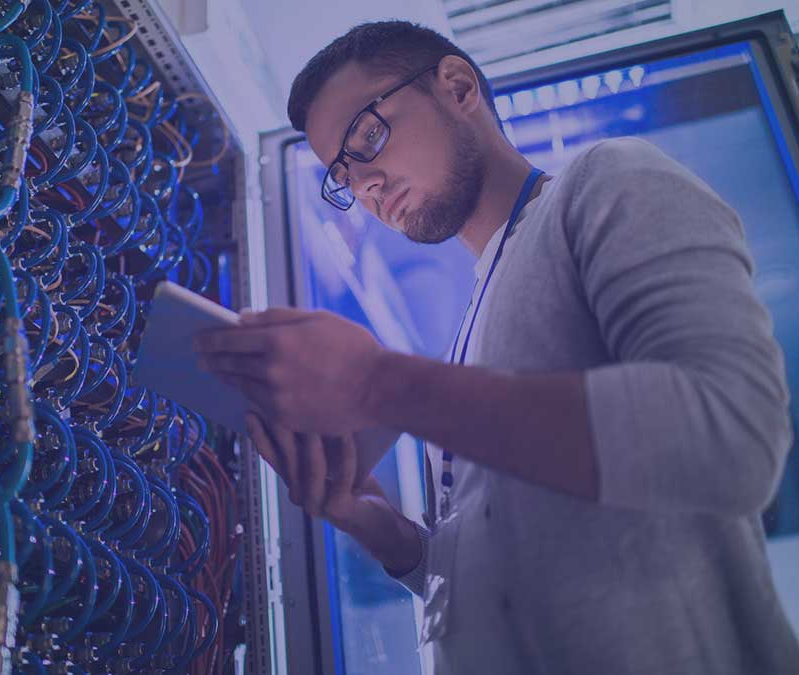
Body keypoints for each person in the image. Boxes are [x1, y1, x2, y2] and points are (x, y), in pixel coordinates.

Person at [195, 20, 799, 674]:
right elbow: (503, 579)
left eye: (366, 135)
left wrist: (376, 382)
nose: (363, 183)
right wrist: (381, 528)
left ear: (457, 88)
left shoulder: (607, 182)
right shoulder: (464, 338)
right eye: (340, 173)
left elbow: (732, 431)